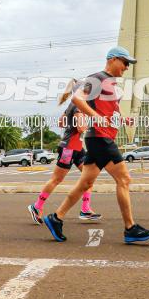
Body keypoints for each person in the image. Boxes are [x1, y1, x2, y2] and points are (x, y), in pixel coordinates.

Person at [43, 46, 149, 244]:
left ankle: (56, 217)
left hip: (101, 138)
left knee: (85, 183)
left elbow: (111, 112)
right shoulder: (97, 78)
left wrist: (124, 121)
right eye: (125, 62)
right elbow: (77, 99)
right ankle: (130, 228)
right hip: (99, 138)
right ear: (112, 59)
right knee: (124, 180)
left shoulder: (111, 85)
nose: (127, 67)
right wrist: (95, 116)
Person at [28, 79, 101, 224]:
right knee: (57, 179)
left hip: (77, 147)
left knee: (89, 178)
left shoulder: (73, 105)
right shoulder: (79, 107)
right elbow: (81, 128)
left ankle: (85, 209)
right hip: (69, 148)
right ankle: (37, 207)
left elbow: (61, 122)